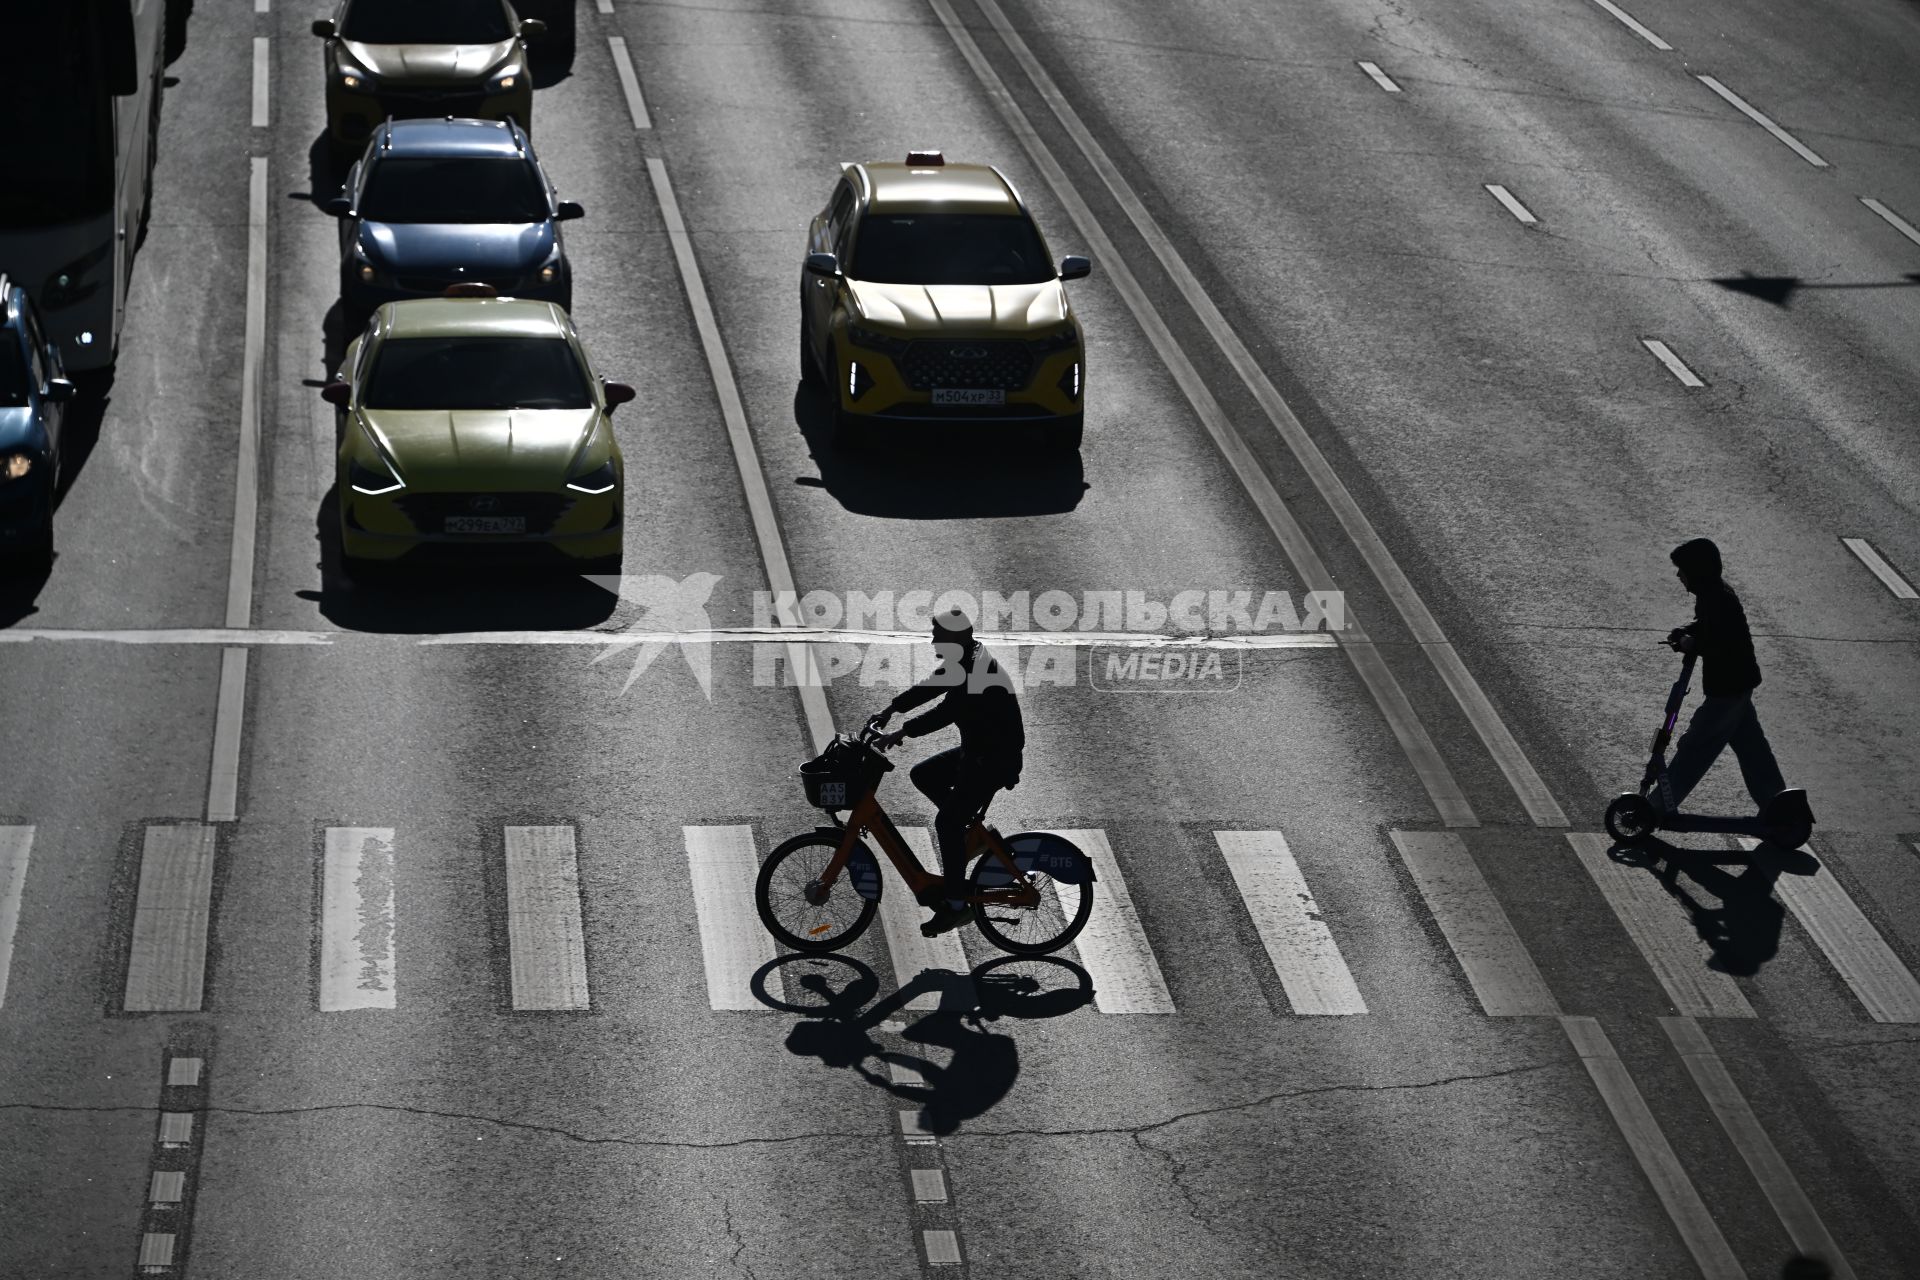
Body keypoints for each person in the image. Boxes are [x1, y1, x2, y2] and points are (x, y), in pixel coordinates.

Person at [870, 609, 1025, 936]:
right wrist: (892, 709)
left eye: (938, 634)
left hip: (993, 761)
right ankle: (973, 836)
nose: (933, 640)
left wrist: (901, 732)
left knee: (947, 822)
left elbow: (946, 712)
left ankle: (956, 905)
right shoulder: (967, 659)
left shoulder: (975, 669)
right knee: (924, 775)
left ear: (954, 638)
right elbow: (933, 685)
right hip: (980, 753)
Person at [1658, 538, 1786, 813]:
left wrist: (1693, 644)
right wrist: (1686, 631)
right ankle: (1781, 808)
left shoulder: (1716, 597)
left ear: (1698, 570)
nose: (1678, 575)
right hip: (1735, 686)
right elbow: (1707, 626)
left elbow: (1720, 641)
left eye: (1682, 569)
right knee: (1754, 753)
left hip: (1728, 690)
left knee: (1695, 747)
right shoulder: (1712, 594)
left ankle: (1658, 807)